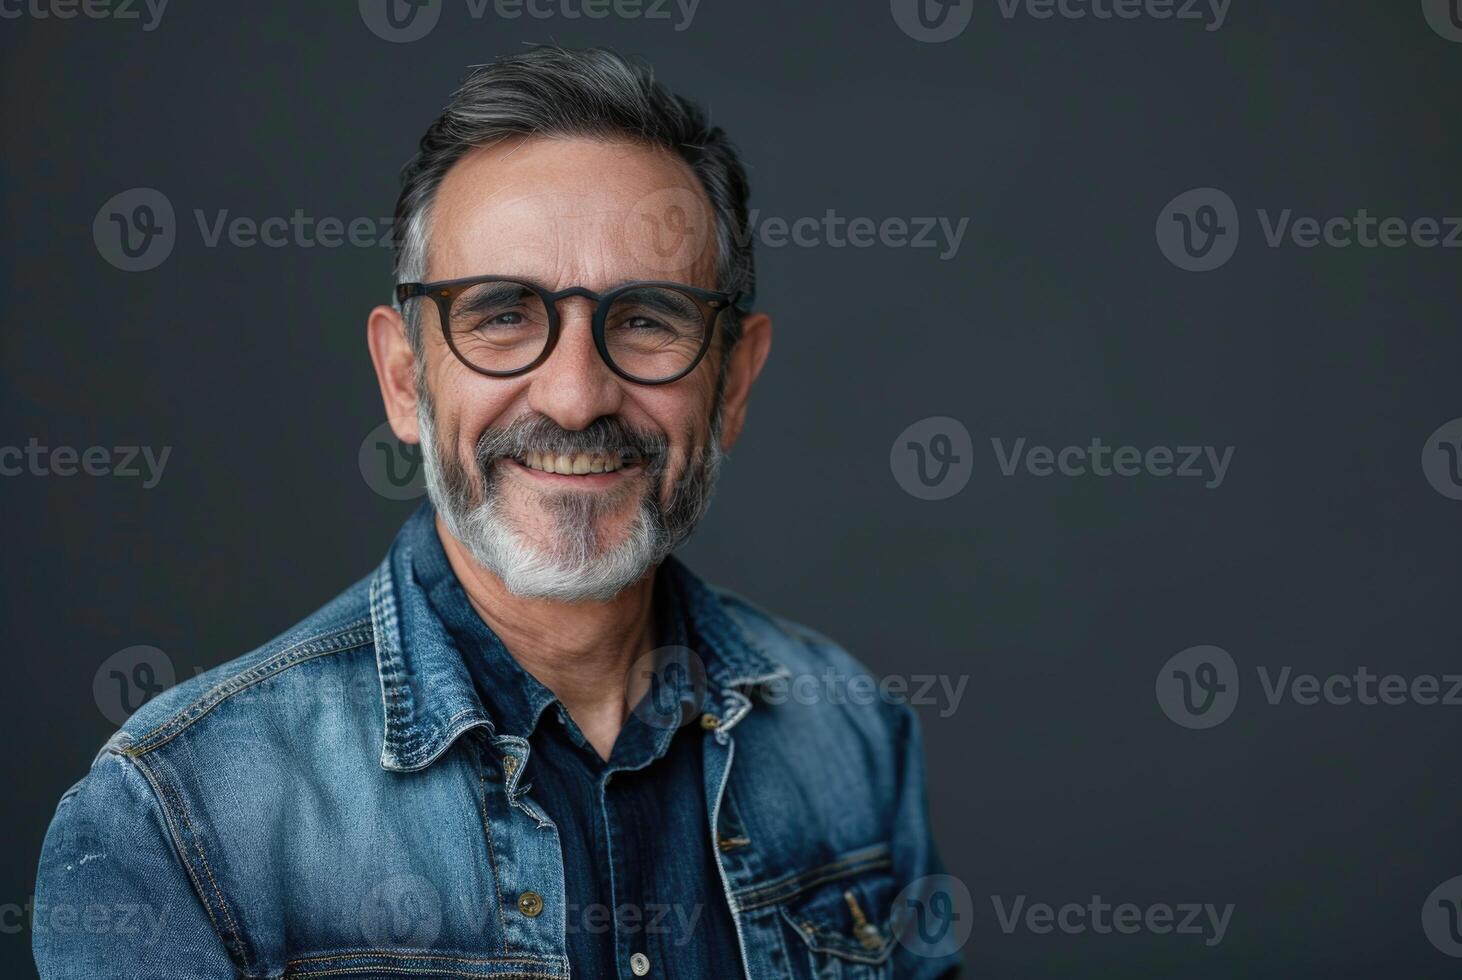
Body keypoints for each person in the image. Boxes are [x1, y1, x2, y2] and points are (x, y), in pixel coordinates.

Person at [34, 46, 961, 979]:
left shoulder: (851, 736)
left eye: (646, 318)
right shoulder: (177, 818)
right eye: (503, 315)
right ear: (404, 377)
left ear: (733, 381)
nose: (573, 397)